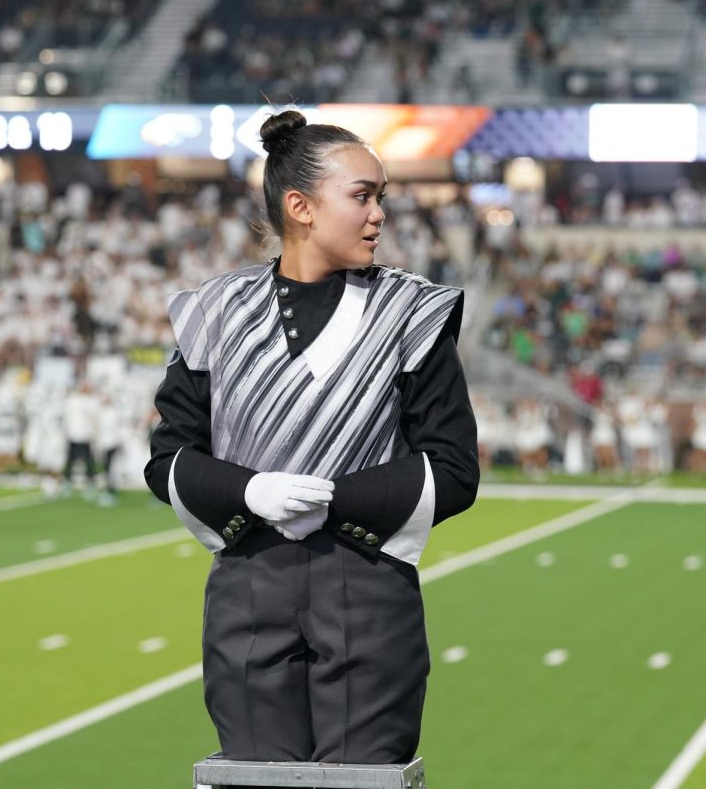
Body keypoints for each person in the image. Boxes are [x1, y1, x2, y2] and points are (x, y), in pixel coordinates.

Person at [144, 110, 479, 766]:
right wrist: (252, 490)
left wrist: (332, 499)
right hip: (246, 590)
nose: (379, 214)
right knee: (254, 780)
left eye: (381, 197)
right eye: (362, 196)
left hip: (367, 587)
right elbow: (167, 459)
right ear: (299, 206)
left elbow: (455, 470)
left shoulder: (414, 312)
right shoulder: (212, 311)